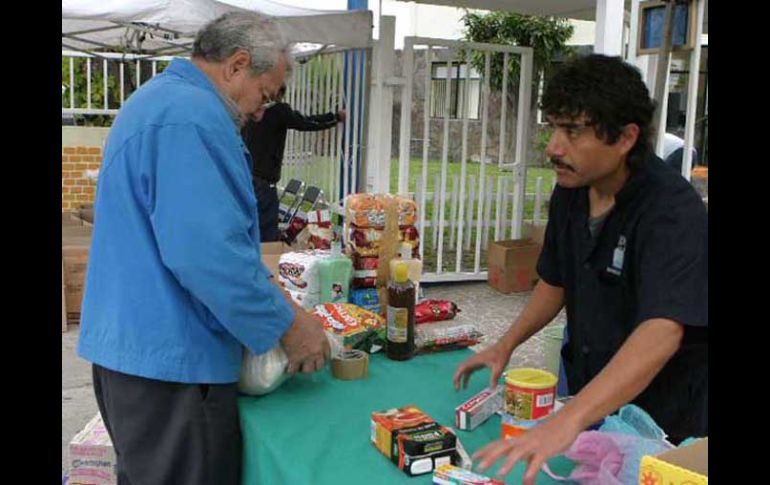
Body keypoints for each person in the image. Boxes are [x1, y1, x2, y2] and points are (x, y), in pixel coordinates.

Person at [77, 12, 330, 485]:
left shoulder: (161, 102)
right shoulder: (190, 119)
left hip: (139, 352)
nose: (263, 111)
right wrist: (289, 324)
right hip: (172, 364)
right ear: (236, 65)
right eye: (267, 94)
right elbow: (209, 256)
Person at [453, 54, 707, 484]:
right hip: (593, 398)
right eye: (553, 126)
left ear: (626, 138)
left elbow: (662, 330)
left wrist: (567, 419)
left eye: (573, 131)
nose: (553, 146)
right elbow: (555, 280)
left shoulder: (672, 213)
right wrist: (506, 344)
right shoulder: (572, 191)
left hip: (665, 423)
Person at [241, 86, 346, 241]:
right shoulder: (278, 111)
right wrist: (335, 117)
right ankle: (269, 257)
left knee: (252, 226)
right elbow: (306, 123)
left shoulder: (246, 113)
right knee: (267, 230)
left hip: (247, 177)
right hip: (264, 182)